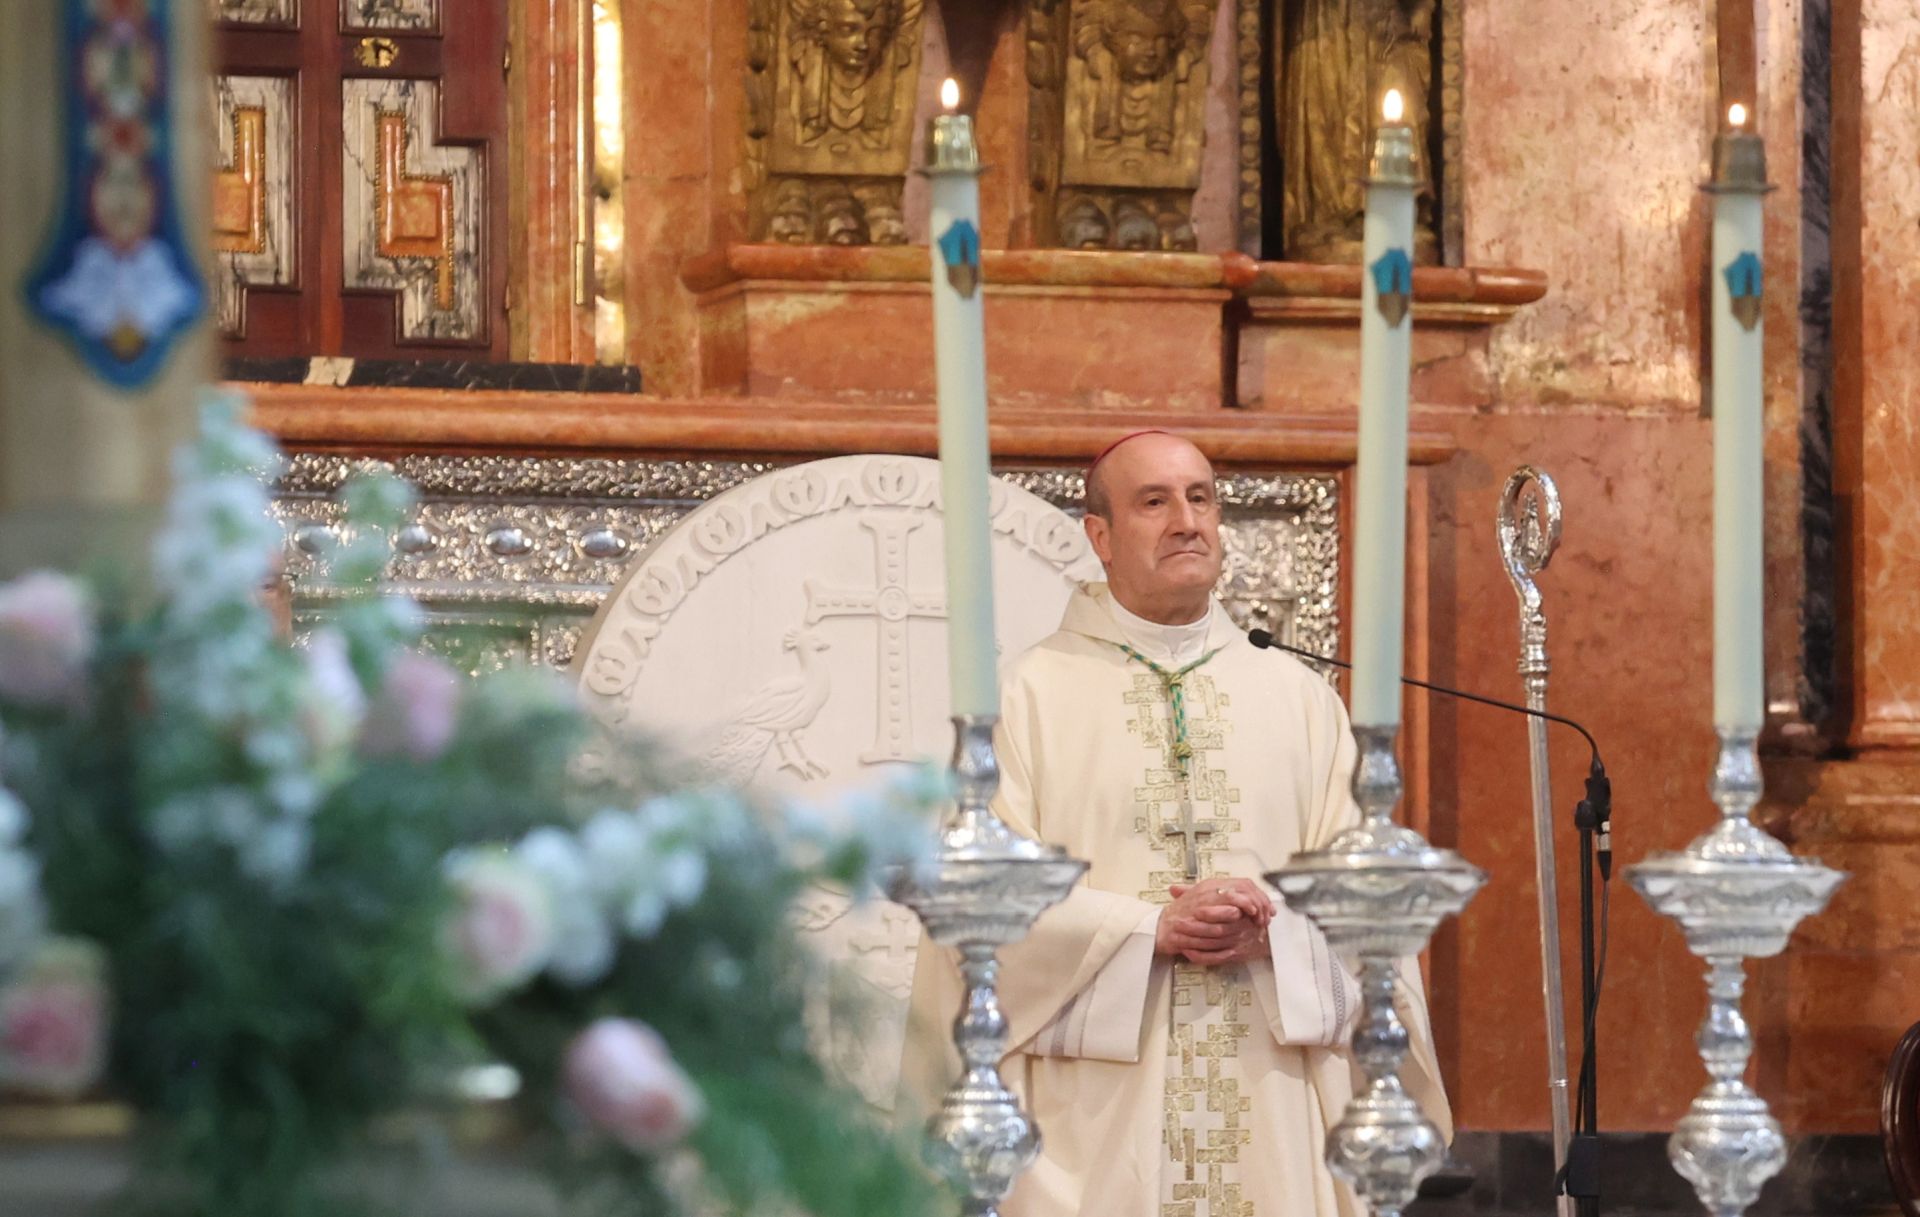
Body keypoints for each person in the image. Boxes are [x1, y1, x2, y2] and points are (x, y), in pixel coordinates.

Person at [900, 429, 1448, 1217]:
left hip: (1271, 1111)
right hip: (1091, 1133)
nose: (1186, 520)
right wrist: (1148, 928)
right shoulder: (1023, 699)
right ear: (1100, 537)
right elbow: (973, 904)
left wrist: (1275, 932)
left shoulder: (1299, 699)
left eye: (1201, 498)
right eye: (1153, 502)